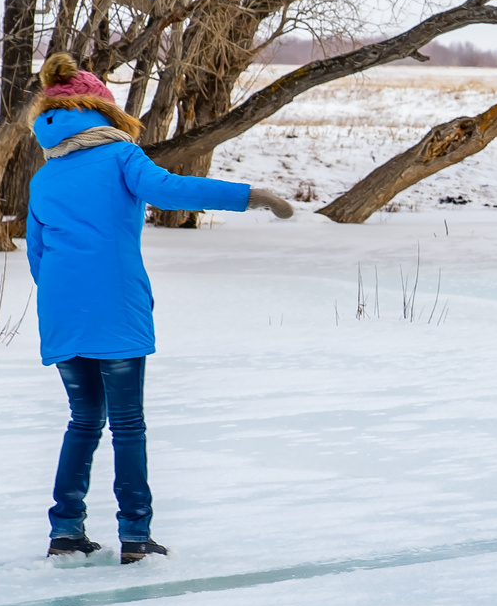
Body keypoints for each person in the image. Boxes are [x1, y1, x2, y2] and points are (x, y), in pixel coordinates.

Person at [23, 53, 295, 564]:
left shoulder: (45, 176)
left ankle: (65, 531)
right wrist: (249, 196)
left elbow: (37, 257)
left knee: (83, 420)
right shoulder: (119, 157)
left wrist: (66, 299)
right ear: (101, 109)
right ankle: (135, 535)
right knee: (127, 424)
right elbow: (170, 190)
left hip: (62, 314)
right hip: (115, 308)